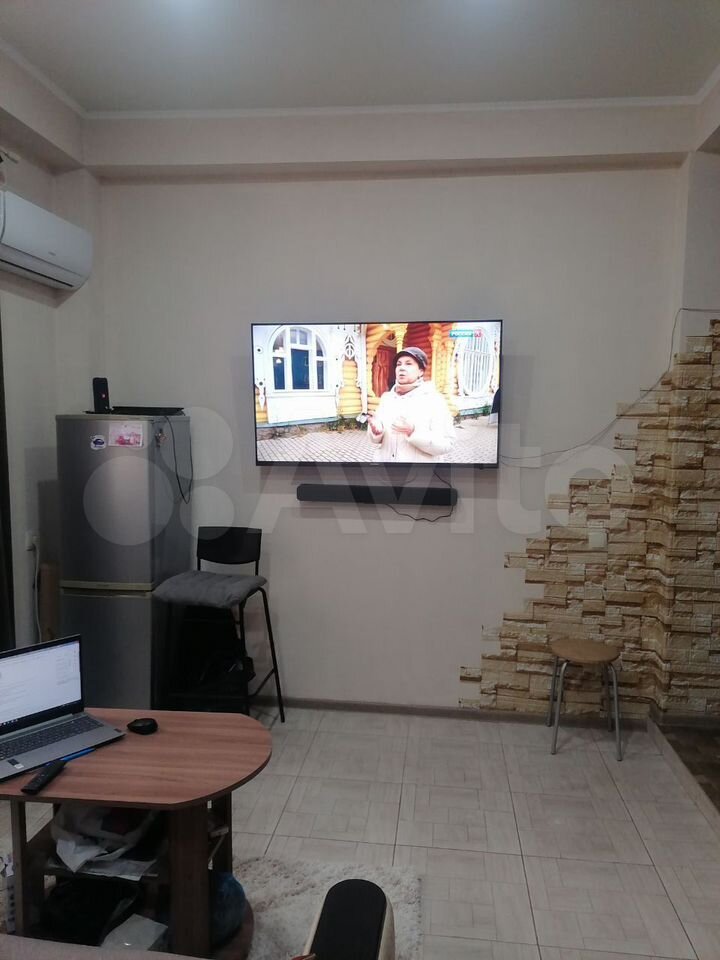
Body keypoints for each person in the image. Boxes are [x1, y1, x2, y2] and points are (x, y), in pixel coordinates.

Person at [368, 346, 455, 462]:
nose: (401, 368)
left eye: (408, 364)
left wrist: (413, 432)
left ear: (421, 371)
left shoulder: (434, 400)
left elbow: (447, 444)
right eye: (398, 364)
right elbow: (377, 439)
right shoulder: (386, 398)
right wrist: (377, 432)